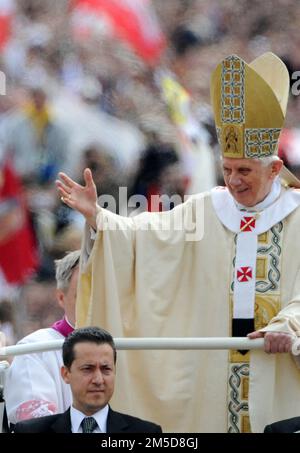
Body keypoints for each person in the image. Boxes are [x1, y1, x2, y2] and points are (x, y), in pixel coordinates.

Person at [56, 53, 300, 433]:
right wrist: (100, 217)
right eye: (227, 169)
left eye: (245, 171)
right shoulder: (208, 208)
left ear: (273, 169)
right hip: (214, 377)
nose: (233, 181)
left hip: (280, 370)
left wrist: (289, 324)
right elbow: (142, 238)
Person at [13, 326, 162, 433]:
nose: (98, 379)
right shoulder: (30, 431)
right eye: (87, 369)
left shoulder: (147, 433)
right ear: (66, 374)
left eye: (106, 369)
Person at [4, 250, 80, 425]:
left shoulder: (134, 344)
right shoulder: (35, 350)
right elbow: (40, 427)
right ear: (61, 297)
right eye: (83, 295)